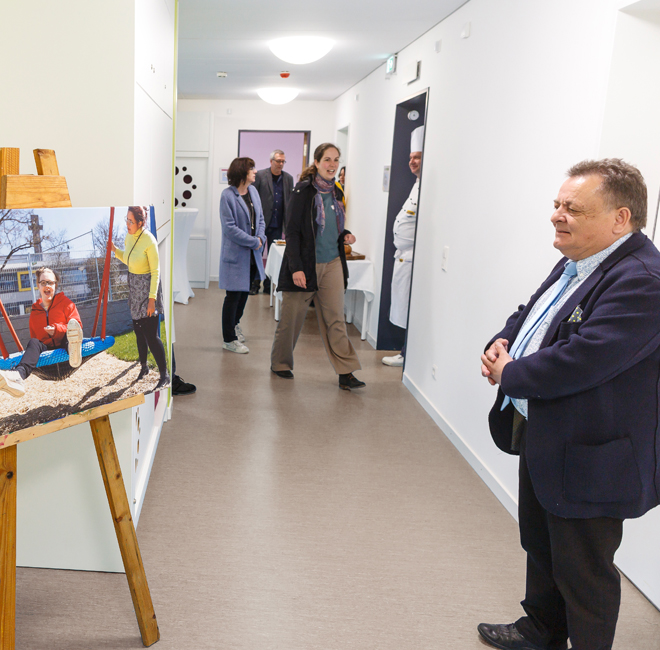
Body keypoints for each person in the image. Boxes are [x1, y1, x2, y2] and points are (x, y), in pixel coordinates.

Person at [479, 159, 660, 650]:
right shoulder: (576, 261)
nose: (557, 216)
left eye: (573, 209)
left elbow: (585, 359)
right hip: (546, 433)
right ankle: (541, 630)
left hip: (592, 451)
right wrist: (502, 341)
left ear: (620, 218)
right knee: (540, 544)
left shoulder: (643, 280)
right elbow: (534, 313)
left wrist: (510, 373)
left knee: (583, 570)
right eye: (557, 204)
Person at [270, 142, 365, 390]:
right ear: (317, 162)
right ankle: (280, 363)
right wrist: (296, 268)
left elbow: (332, 225)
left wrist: (345, 234)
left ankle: (346, 371)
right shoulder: (303, 191)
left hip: (332, 263)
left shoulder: (337, 192)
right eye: (327, 160)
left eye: (336, 160)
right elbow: (292, 231)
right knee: (291, 319)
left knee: (336, 320)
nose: (332, 164)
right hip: (305, 264)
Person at [0, 267, 83, 398]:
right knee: (34, 342)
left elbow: (77, 326)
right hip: (46, 348)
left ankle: (74, 352)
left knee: (70, 335)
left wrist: (57, 330)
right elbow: (35, 338)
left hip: (65, 344)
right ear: (38, 286)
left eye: (50, 282)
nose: (47, 285)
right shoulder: (35, 312)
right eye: (43, 282)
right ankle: (18, 376)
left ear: (55, 285)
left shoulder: (67, 304)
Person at [112, 206, 170, 389]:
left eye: (131, 221)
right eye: (126, 220)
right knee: (138, 332)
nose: (127, 224)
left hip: (147, 290)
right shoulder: (129, 237)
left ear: (140, 222)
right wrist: (115, 250)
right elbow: (129, 259)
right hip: (134, 290)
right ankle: (144, 367)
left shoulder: (149, 240)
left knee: (151, 335)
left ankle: (165, 375)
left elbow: (156, 272)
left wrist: (152, 300)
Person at [382, 125, 423, 367]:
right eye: (410, 158)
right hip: (403, 256)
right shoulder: (416, 183)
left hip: (413, 257)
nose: (412, 162)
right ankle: (405, 351)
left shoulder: (426, 185)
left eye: (417, 157)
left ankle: (408, 354)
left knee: (410, 308)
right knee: (402, 307)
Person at [218, 157, 266, 353]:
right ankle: (229, 339)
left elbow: (260, 219)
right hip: (236, 256)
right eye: (251, 169)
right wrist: (254, 241)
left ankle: (235, 324)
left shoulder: (253, 192)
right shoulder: (227, 196)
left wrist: (261, 237)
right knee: (233, 296)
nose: (255, 171)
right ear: (242, 173)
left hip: (252, 255)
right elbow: (229, 228)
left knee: (244, 294)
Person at [252, 149, 294, 294]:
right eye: (278, 161)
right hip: (261, 223)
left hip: (277, 224)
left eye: (283, 161)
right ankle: (255, 284)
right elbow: (253, 198)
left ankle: (269, 285)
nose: (281, 164)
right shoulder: (260, 176)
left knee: (273, 256)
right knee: (257, 254)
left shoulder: (288, 178)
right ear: (271, 161)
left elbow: (289, 201)